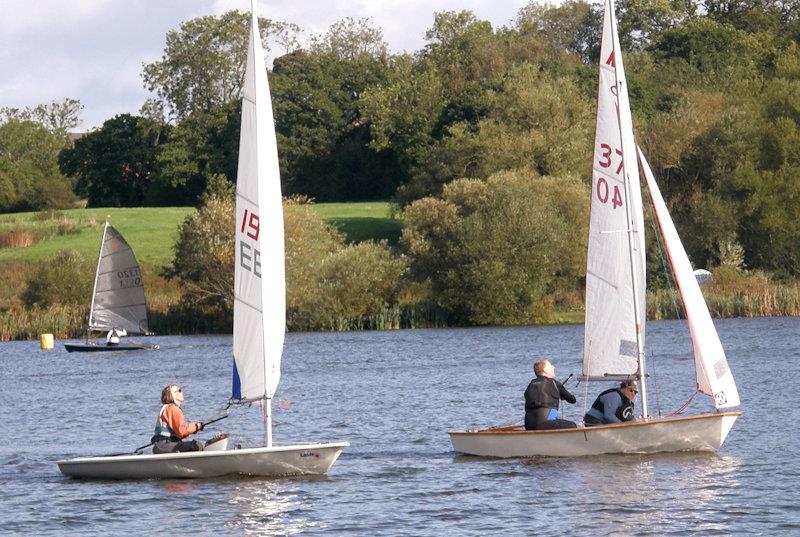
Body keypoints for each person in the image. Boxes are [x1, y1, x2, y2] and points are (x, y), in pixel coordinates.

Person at [524, 358, 577, 430]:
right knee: (573, 425)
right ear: (545, 370)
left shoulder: (531, 385)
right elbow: (572, 400)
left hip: (529, 425)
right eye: (550, 365)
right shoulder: (555, 383)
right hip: (545, 424)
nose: (553, 367)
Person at [151, 384, 205, 454]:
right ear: (171, 395)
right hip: (163, 445)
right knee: (196, 445)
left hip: (164, 444)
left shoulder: (170, 408)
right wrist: (197, 426)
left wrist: (196, 428)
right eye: (179, 391)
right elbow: (181, 431)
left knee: (195, 445)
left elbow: (180, 434)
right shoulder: (172, 409)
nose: (182, 392)